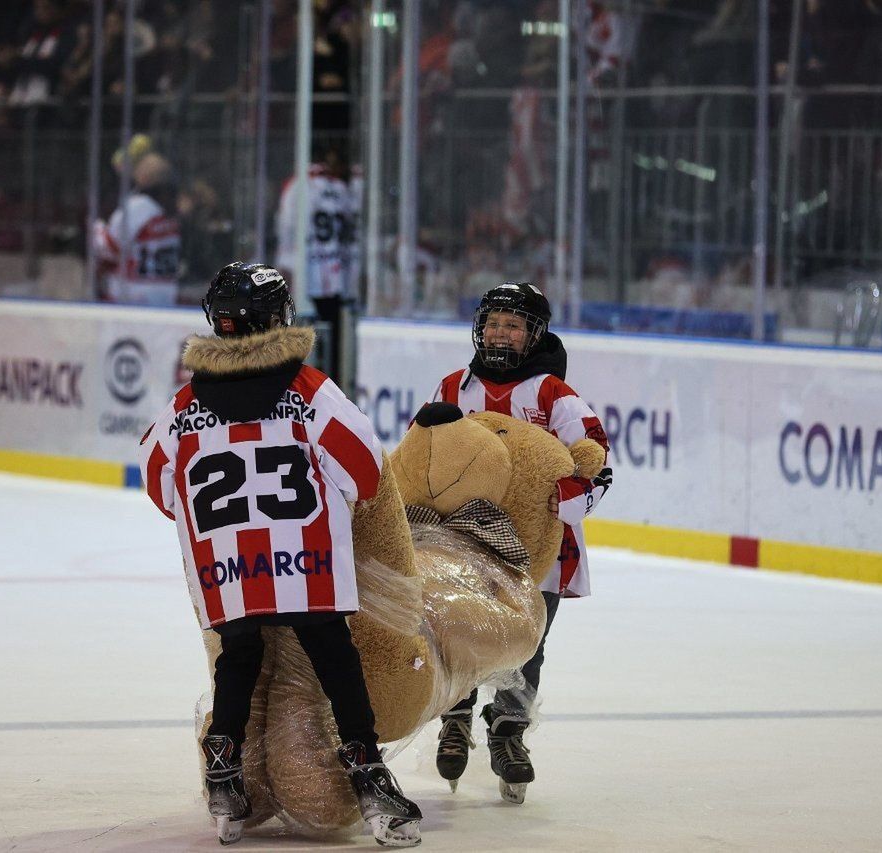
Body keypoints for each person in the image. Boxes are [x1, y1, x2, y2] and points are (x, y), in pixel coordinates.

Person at [139, 262, 422, 847]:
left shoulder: (184, 405)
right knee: (334, 657)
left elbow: (159, 482)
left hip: (230, 567)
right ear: (277, 319)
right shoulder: (310, 391)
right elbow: (365, 471)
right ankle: (369, 775)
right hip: (305, 561)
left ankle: (224, 773)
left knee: (239, 656)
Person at [426, 281, 612, 804]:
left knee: (528, 641)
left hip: (540, 545)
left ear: (533, 334)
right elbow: (426, 452)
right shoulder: (453, 387)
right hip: (466, 538)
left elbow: (595, 456)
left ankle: (508, 732)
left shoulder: (552, 392)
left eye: (513, 325)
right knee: (458, 628)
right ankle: (455, 717)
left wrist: (576, 496)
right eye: (493, 323)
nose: (500, 333)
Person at [274, 140, 361, 383]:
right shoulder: (344, 188)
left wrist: (285, 267)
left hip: (308, 275)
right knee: (332, 337)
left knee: (302, 338)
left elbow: (286, 228)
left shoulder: (299, 185)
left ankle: (303, 385)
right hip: (336, 275)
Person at [93, 135, 181, 306]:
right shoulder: (170, 213)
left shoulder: (138, 207)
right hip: (165, 295)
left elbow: (108, 248)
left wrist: (97, 227)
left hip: (133, 296)